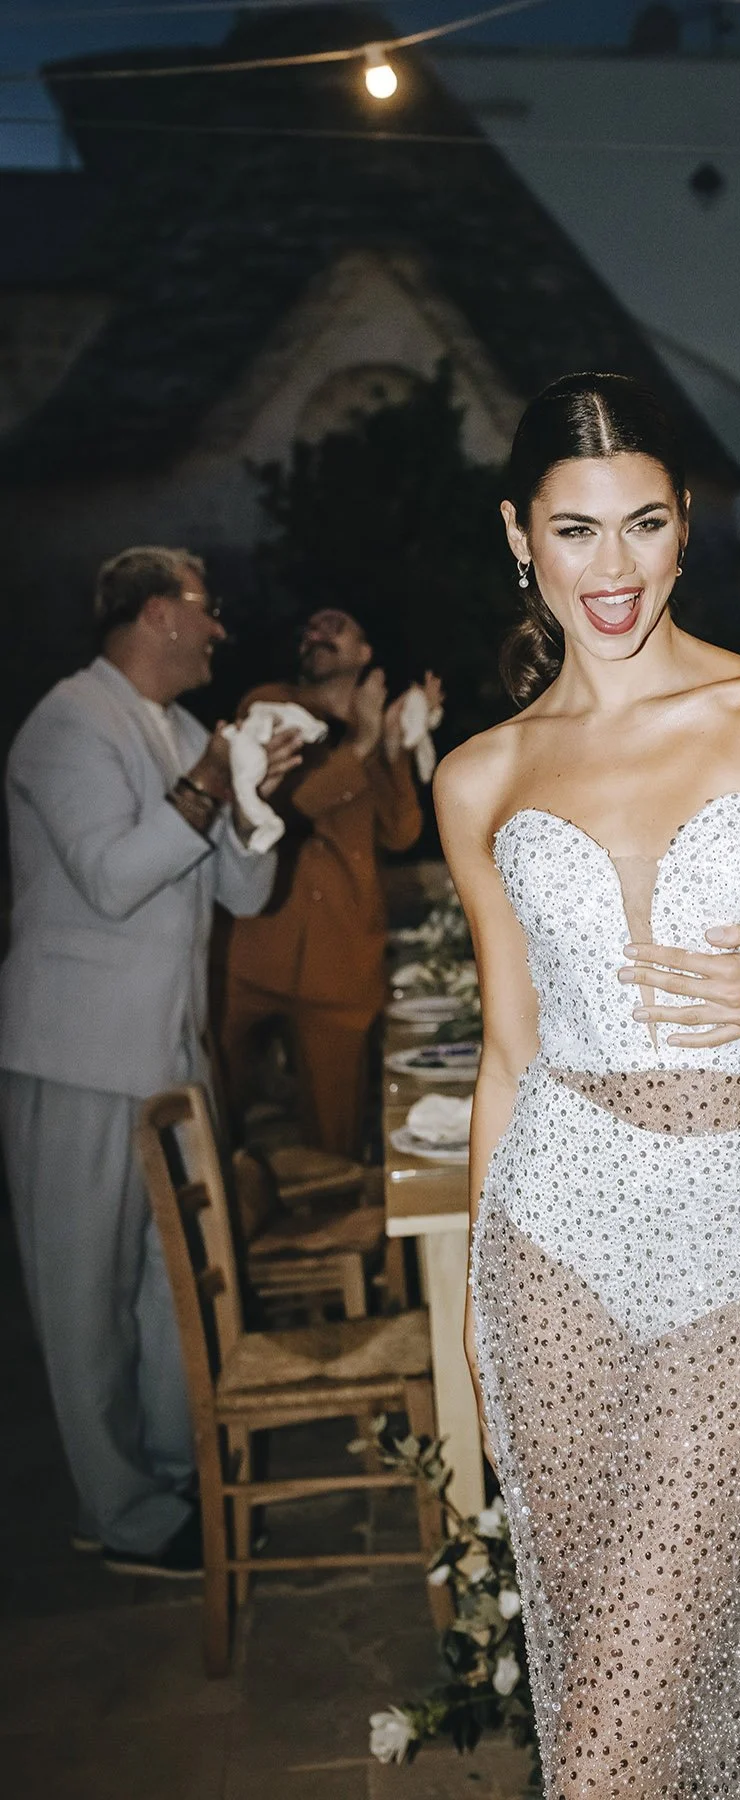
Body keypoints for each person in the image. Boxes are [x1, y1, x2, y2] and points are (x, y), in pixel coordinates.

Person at [433, 374, 740, 1800]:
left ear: (686, 527)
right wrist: (479, 1298)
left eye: (643, 524)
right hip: (557, 1244)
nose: (615, 567)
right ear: (520, 537)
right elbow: (511, 1048)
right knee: (606, 1663)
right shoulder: (483, 777)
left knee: (612, 1742)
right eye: (576, 530)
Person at [0, 547, 301, 1576]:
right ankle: (120, 1515)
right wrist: (214, 781)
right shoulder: (67, 723)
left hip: (170, 1058)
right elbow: (114, 879)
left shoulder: (177, 730)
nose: (220, 631)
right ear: (159, 613)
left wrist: (257, 800)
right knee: (84, 1296)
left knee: (174, 1291)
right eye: (207, 611)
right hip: (76, 1054)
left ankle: (179, 1484)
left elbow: (246, 898)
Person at [218, 608, 440, 1156]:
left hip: (340, 963)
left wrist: (394, 749)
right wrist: (363, 742)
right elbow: (287, 804)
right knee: (217, 1119)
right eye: (308, 630)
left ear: (365, 654)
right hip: (251, 952)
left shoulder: (372, 723)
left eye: (335, 626)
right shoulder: (267, 706)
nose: (315, 634)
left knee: (333, 1140)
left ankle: (336, 1234)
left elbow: (400, 833)